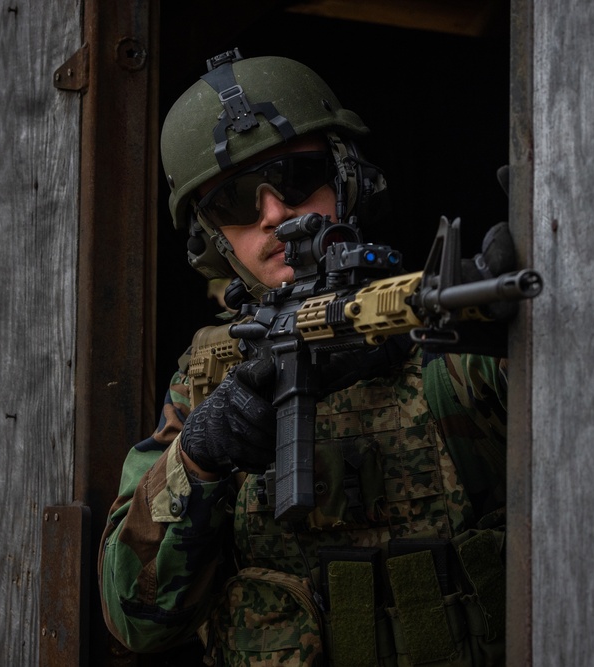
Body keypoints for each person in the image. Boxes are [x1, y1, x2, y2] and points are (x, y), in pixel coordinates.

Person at [98, 50, 510, 666]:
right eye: (236, 202)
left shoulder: (441, 331)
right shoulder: (211, 376)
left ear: (346, 176)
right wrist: (200, 459)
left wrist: (510, 328)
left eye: (295, 178)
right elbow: (132, 619)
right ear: (214, 238)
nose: (273, 213)